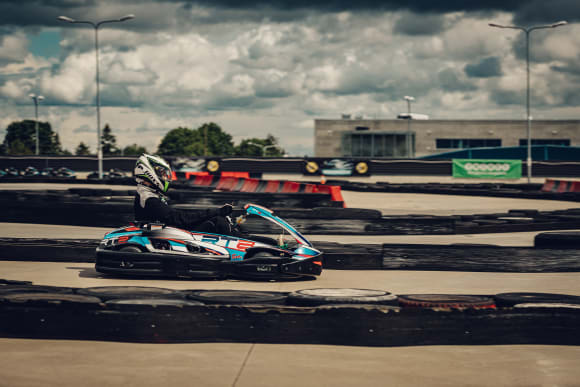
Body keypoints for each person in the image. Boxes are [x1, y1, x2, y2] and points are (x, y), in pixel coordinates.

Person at [133, 153, 234, 233]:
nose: (165, 177)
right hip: (161, 235)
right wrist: (215, 212)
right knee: (217, 222)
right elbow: (178, 218)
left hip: (168, 231)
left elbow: (173, 216)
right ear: (149, 172)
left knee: (218, 219)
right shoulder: (148, 198)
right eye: (162, 173)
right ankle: (243, 250)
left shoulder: (150, 193)